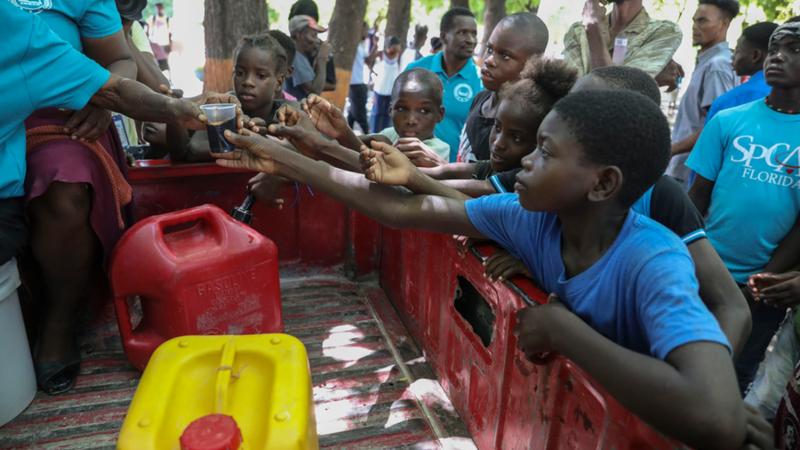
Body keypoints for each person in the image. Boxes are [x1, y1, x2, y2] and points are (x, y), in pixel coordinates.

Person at [213, 89, 755, 449]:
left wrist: (566, 331)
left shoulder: (654, 259)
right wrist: (285, 158)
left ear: (602, 183)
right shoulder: (529, 218)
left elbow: (717, 417)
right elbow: (401, 207)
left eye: (544, 152)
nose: (523, 162)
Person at [1, 0, 230, 395]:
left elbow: (117, 79)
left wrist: (164, 108)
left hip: (71, 113)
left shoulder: (27, 38)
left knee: (64, 187)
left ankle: (59, 321)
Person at [687, 20, 800, 393]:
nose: (778, 57)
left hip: (764, 288)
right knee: (683, 361)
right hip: (704, 272)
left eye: (793, 49)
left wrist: (764, 278)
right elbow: (695, 200)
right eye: (774, 48)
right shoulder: (728, 121)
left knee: (732, 378)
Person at [427, 58, 575, 184]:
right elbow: (454, 171)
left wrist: (413, 177)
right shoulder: (498, 164)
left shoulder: (521, 177)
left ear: (540, 142)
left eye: (516, 138)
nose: (498, 143)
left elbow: (473, 191)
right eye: (497, 127)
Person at [167, 33, 289, 163]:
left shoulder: (287, 114)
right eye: (240, 73)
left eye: (260, 75)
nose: (248, 82)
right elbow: (192, 151)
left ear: (279, 82)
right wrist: (242, 138)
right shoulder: (221, 108)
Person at [300, 69, 450, 165]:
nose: (411, 120)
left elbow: (381, 165)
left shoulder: (436, 150)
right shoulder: (389, 134)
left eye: (424, 111)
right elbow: (360, 150)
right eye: (402, 108)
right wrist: (339, 130)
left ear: (440, 115)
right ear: (390, 110)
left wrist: (344, 133)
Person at [456, 12, 549, 163]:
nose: (489, 60)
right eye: (490, 49)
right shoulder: (481, 99)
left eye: (505, 56)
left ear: (533, 62)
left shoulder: (524, 121)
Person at [667, 0, 739, 187]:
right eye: (694, 21)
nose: (695, 27)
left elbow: (715, 125)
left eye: (703, 21)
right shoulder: (709, 61)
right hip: (683, 168)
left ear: (724, 24)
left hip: (690, 172)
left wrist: (672, 149)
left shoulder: (717, 65)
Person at [405, 8, 482, 161]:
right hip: (408, 162)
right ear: (443, 37)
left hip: (451, 173)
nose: (471, 40)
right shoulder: (415, 70)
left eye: (474, 33)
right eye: (462, 33)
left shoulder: (481, 81)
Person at [563, 0, 682, 81]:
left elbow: (616, 94)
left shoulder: (663, 33)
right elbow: (569, 91)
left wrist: (593, 30)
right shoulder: (578, 32)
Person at [706, 21, 778, 122]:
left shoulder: (729, 103)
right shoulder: (789, 95)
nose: (732, 56)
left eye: (737, 50)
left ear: (755, 55)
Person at [287, 1, 336, 96]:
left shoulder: (301, 56)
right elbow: (314, 91)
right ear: (299, 35)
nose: (316, 41)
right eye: (313, 35)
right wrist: (322, 59)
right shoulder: (295, 57)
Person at [348, 21, 378, 134]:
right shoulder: (353, 45)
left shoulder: (361, 46)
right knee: (360, 114)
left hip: (360, 82)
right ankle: (367, 135)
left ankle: (346, 134)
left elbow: (368, 60)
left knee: (353, 113)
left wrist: (375, 46)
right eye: (365, 29)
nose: (367, 32)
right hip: (355, 83)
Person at [371, 36, 404, 134]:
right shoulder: (381, 54)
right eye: (396, 47)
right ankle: (373, 135)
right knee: (376, 115)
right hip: (379, 90)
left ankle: (383, 137)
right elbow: (369, 62)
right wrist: (373, 76)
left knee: (387, 116)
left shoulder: (399, 57)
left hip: (391, 91)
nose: (397, 49)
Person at [268, 30, 298, 102]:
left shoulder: (293, 106)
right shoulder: (238, 103)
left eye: (261, 75)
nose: (249, 81)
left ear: (288, 72)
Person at [147, 2, 171, 72]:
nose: (159, 10)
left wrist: (170, 44)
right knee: (156, 65)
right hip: (155, 45)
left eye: (160, 8)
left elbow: (170, 32)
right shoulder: (152, 19)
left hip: (165, 45)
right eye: (157, 8)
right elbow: (147, 31)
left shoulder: (167, 19)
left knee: (165, 65)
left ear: (163, 8)